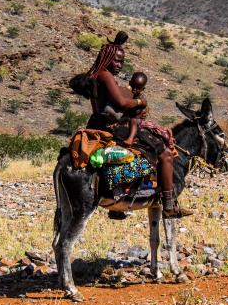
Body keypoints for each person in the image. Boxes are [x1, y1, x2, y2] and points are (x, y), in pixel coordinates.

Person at [80, 31, 191, 219]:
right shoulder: (105, 76)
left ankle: (121, 204)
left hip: (97, 124)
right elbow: (122, 104)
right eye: (116, 61)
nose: (119, 65)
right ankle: (169, 205)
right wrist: (141, 103)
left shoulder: (95, 75)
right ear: (107, 58)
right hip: (113, 128)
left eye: (122, 62)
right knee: (164, 152)